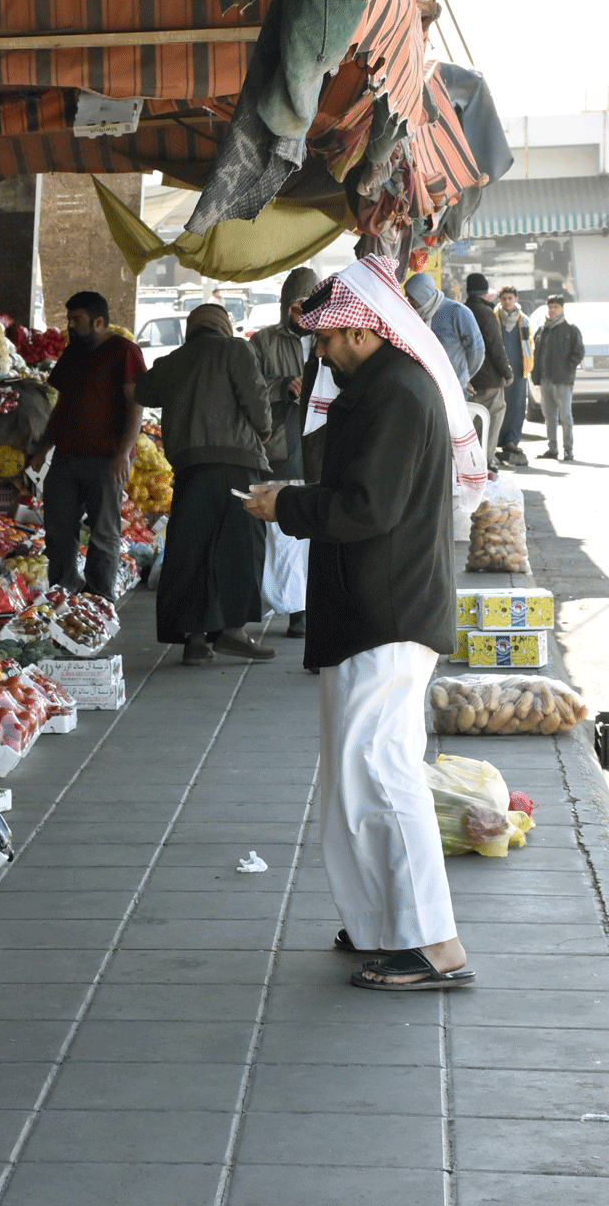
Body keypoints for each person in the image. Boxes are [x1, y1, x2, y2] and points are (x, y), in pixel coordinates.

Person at [243, 255, 485, 991]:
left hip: (388, 608)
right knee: (358, 774)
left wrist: (283, 503)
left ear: (359, 328)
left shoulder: (397, 395)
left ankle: (433, 942)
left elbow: (364, 508)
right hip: (371, 607)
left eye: (326, 340)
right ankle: (384, 923)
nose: (320, 353)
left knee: (381, 772)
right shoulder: (383, 389)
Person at [134, 302, 275, 665]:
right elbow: (256, 398)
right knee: (240, 546)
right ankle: (233, 632)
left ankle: (195, 641)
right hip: (236, 466)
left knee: (191, 550)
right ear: (224, 326)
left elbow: (142, 392)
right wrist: (264, 430)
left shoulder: (175, 359)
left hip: (192, 469)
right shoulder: (236, 348)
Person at [29, 290, 146, 600]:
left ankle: (99, 601)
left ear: (98, 321)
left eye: (76, 319)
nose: (70, 325)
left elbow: (137, 405)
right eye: (68, 319)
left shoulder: (124, 351)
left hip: (107, 458)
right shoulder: (73, 353)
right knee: (58, 530)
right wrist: (42, 450)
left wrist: (123, 453)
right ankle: (62, 595)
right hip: (67, 456)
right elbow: (62, 405)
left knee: (104, 532)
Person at [251, 266, 319, 638]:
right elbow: (248, 388)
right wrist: (283, 387)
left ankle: (304, 605)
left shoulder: (330, 336)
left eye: (309, 306)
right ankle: (292, 607)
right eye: (296, 307)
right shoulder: (263, 341)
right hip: (280, 442)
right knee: (282, 531)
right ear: (285, 308)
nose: (302, 314)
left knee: (310, 528)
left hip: (319, 443)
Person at [404, 272, 485, 395]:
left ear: (422, 295)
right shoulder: (414, 316)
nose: (408, 301)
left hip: (454, 388)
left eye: (411, 297)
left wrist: (464, 377)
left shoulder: (457, 312)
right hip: (426, 387)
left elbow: (477, 349)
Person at [464, 273, 514, 471]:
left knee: (471, 419)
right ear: (485, 292)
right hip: (489, 378)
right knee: (492, 417)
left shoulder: (464, 309)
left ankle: (470, 461)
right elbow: (495, 346)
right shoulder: (485, 313)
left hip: (469, 377)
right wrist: (507, 372)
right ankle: (485, 460)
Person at [532, 293, 585, 461]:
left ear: (562, 308)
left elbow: (579, 352)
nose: (552, 310)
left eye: (556, 307)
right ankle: (552, 448)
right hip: (545, 379)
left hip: (562, 379)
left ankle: (568, 449)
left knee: (566, 416)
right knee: (549, 416)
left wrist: (567, 368)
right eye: (550, 307)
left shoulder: (570, 329)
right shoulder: (542, 330)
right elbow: (537, 353)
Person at [494, 286, 533, 464]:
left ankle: (511, 441)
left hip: (519, 370)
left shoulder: (523, 321)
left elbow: (528, 345)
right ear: (500, 300)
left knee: (517, 408)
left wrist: (529, 366)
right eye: (504, 299)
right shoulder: (494, 318)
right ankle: (495, 441)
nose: (507, 302)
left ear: (516, 299)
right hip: (499, 371)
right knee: (498, 406)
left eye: (510, 298)